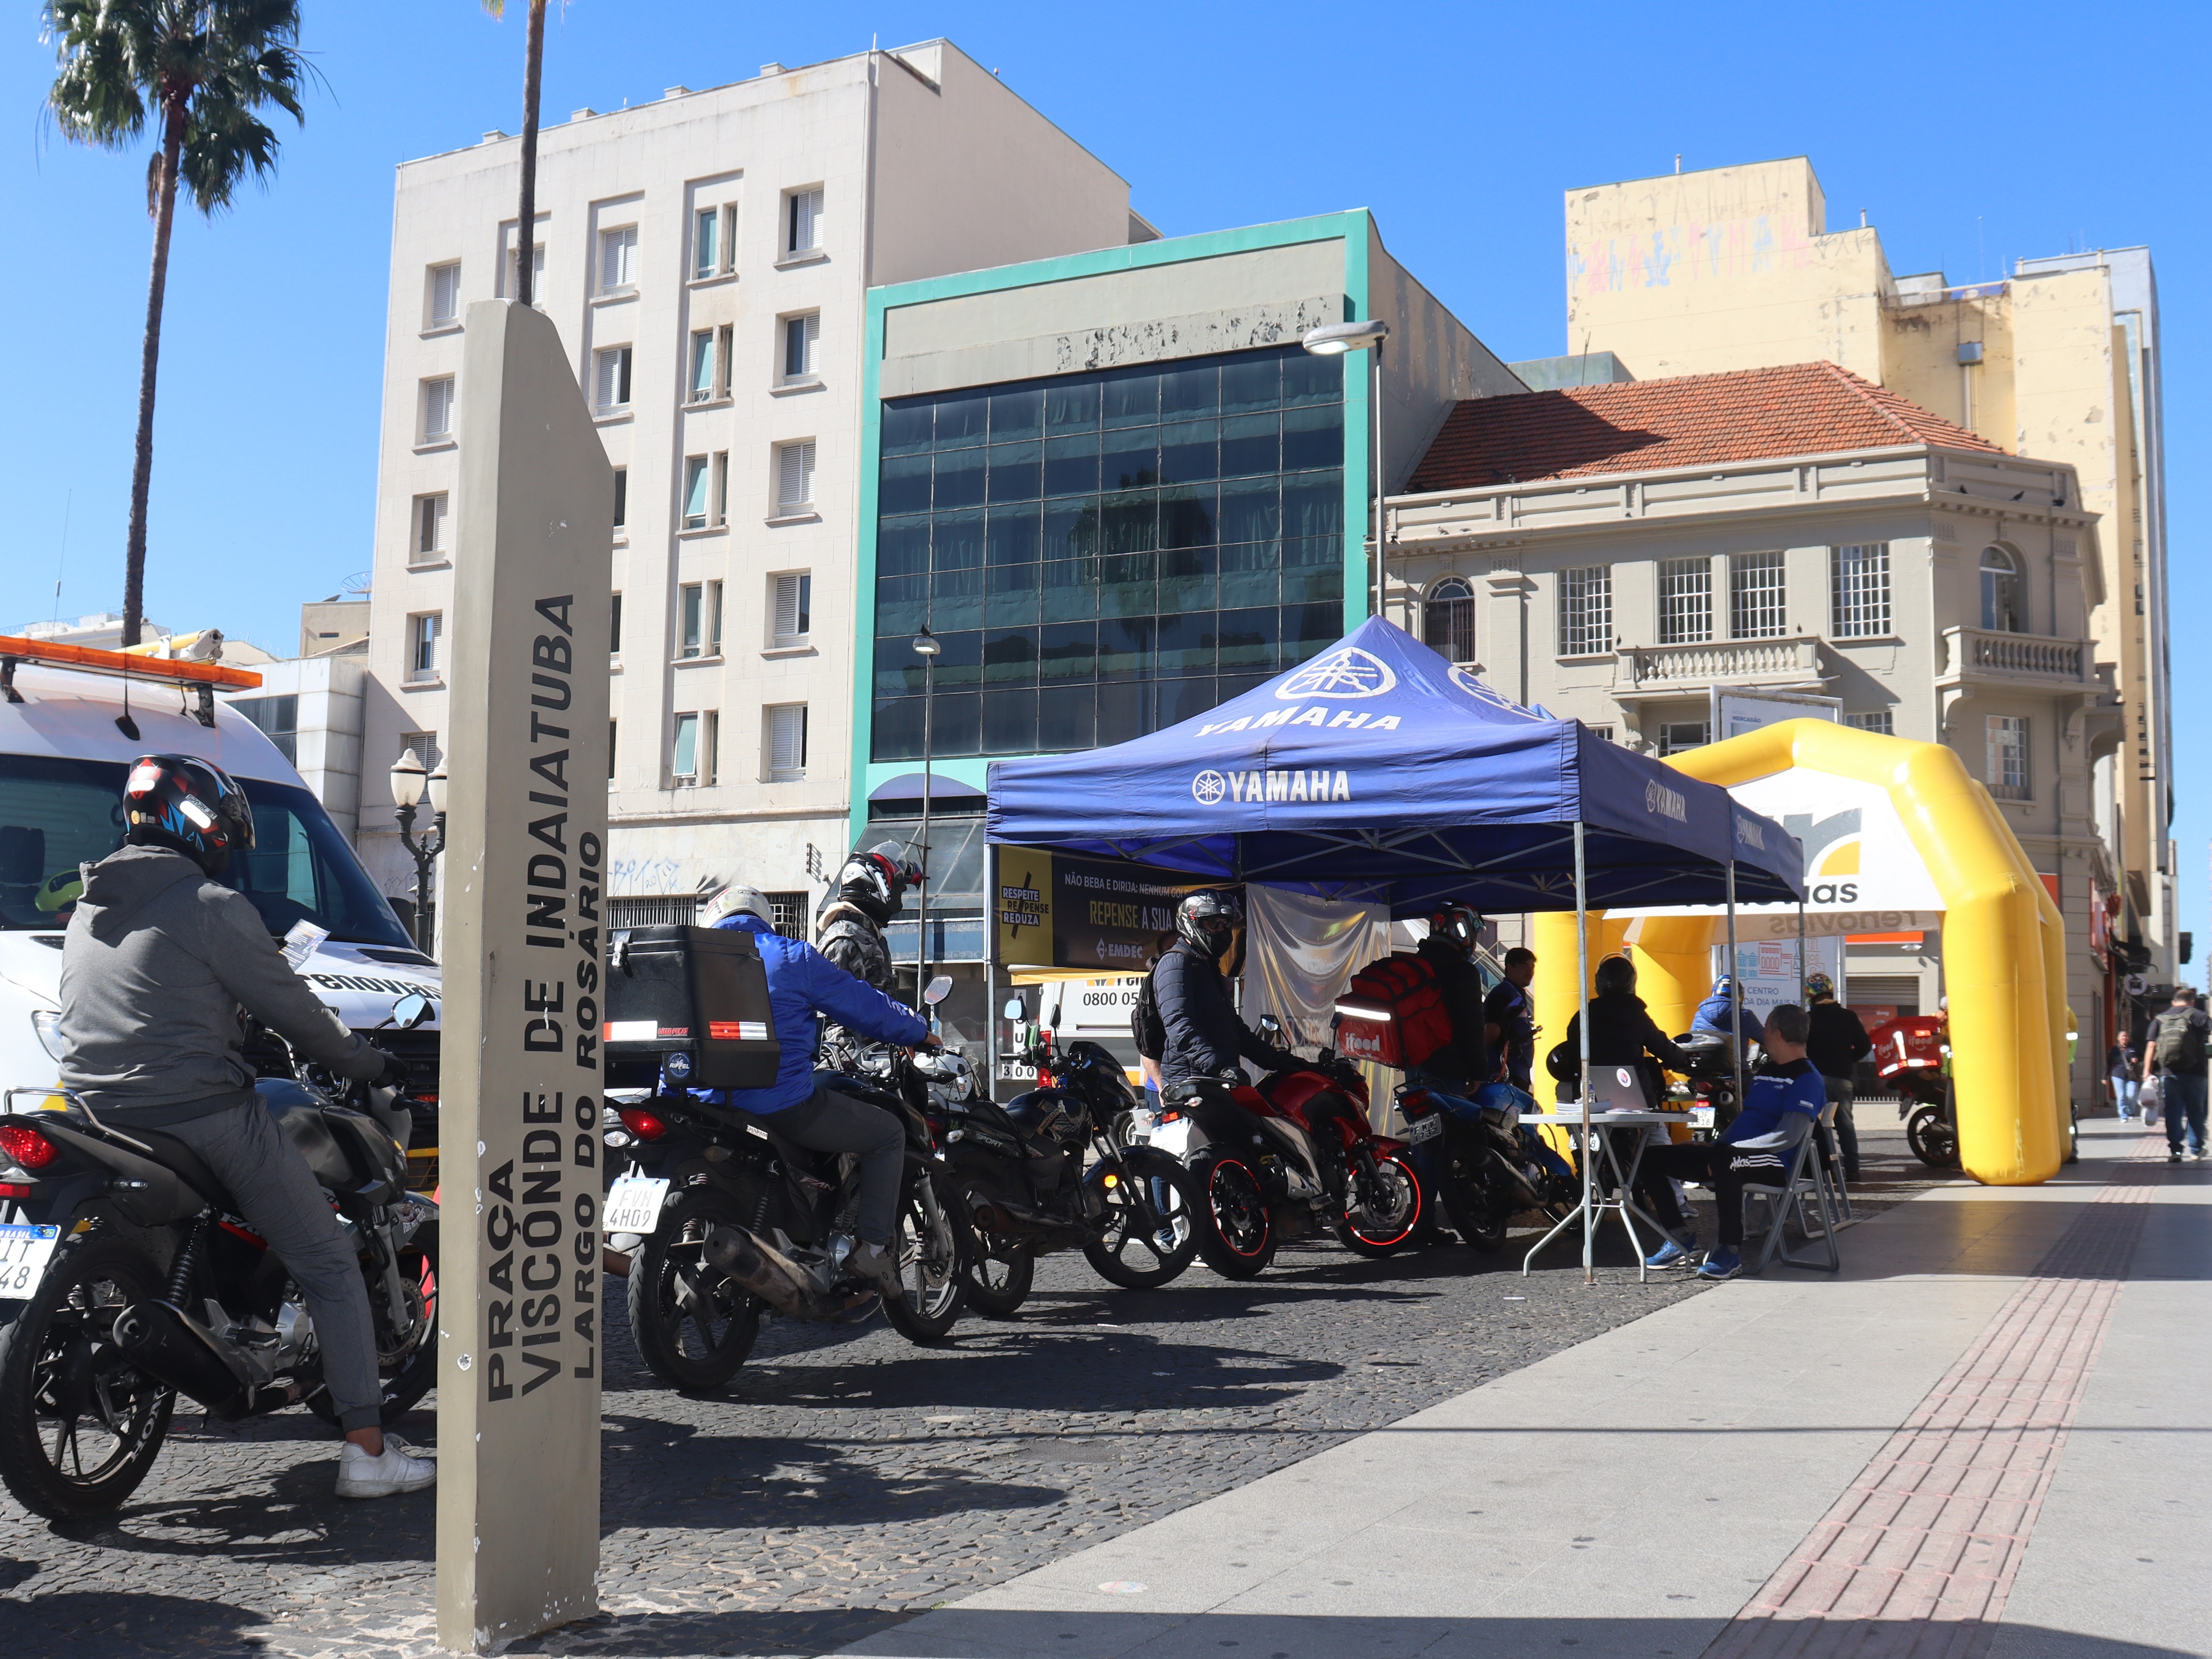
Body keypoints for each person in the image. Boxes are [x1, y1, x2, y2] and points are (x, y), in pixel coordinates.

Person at [56, 755, 433, 1500]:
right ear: (203, 825)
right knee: (326, 1255)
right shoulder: (210, 905)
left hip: (92, 1108)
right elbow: (299, 1014)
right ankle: (366, 1452)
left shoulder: (88, 902)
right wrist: (367, 1056)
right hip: (198, 1111)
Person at [702, 886, 936, 1285]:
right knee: (888, 1135)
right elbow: (862, 1003)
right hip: (778, 1104)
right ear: (762, 917)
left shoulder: (691, 959)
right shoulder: (789, 955)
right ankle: (875, 1250)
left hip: (699, 1104)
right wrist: (916, 1031)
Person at [1640, 1004, 1827, 1280]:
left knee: (1727, 1163)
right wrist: (1716, 1146)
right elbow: (1747, 1119)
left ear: (1776, 1033)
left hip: (1774, 1161)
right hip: (1732, 1154)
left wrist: (1731, 1151)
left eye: (1765, 1030)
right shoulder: (1767, 1070)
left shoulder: (1806, 1078)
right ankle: (1679, 1240)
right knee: (1651, 1158)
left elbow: (1788, 1136)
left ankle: (1729, 1252)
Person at [1152, 890, 1297, 1092]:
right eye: (1214, 924)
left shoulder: (1208, 966)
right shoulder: (1177, 962)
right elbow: (1179, 1026)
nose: (1222, 931)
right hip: (1192, 1084)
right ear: (1192, 922)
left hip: (1217, 1080)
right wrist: (1219, 1067)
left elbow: (1234, 1028)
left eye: (1226, 925)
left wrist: (1278, 1061)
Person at [812, 843, 923, 992]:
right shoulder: (846, 941)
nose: (900, 899)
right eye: (899, 889)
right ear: (880, 886)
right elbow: (834, 1007)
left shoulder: (864, 936)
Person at [1412, 904, 1490, 1091]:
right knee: (1453, 1120)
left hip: (1412, 1064)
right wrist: (1478, 1072)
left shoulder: (1416, 966)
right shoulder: (1464, 973)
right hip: (1448, 1069)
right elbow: (1472, 1027)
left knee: (1420, 1121)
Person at [1803, 972, 1872, 1180]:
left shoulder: (1808, 1019)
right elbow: (1865, 1046)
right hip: (1843, 1078)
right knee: (1846, 1125)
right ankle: (1853, 1170)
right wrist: (1848, 1060)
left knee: (1818, 1126)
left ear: (1810, 996)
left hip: (1815, 1079)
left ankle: (1826, 1170)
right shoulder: (1848, 1017)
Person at [2141, 986, 2210, 1163]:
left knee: (2173, 1111)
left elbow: (2151, 1046)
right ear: (2192, 1002)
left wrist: (2146, 1072)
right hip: (2197, 1072)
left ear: (2173, 1002)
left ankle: (2176, 1151)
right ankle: (2196, 1150)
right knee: (2196, 1111)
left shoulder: (2160, 1019)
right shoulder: (2200, 1016)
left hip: (2169, 1073)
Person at [1484, 946, 1539, 1090]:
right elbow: (1492, 1029)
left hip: (1520, 1071)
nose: (1530, 971)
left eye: (1532, 967)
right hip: (1505, 1073)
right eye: (1524, 966)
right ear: (1510, 967)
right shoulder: (1503, 994)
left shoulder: (1516, 993)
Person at [1692, 975, 1766, 1053]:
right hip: (1736, 1065)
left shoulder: (1699, 1016)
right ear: (1740, 995)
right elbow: (1768, 1040)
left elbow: (1693, 1041)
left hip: (1703, 1065)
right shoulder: (1745, 1016)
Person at [2107, 1036, 2140, 1122]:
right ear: (2119, 1038)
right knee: (2121, 1096)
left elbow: (2142, 1056)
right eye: (2123, 1036)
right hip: (2118, 1075)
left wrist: (2137, 1059)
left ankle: (2131, 1112)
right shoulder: (2114, 1049)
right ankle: (2123, 1116)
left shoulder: (2134, 1047)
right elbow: (2109, 1062)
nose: (2125, 1038)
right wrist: (2105, 1076)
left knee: (2132, 1095)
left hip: (2132, 1075)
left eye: (2126, 1036)